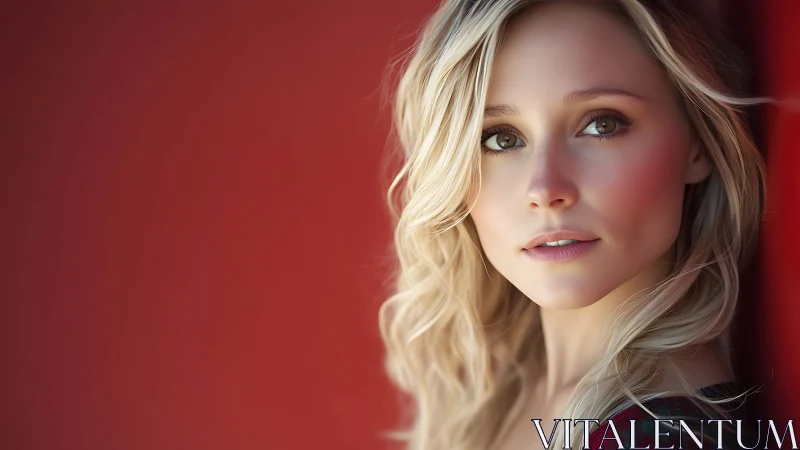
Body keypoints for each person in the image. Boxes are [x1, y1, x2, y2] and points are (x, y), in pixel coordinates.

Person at [378, 0, 768, 449]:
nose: (545, 188)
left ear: (697, 143)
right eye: (501, 138)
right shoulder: (498, 395)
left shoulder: (670, 438)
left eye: (601, 124)